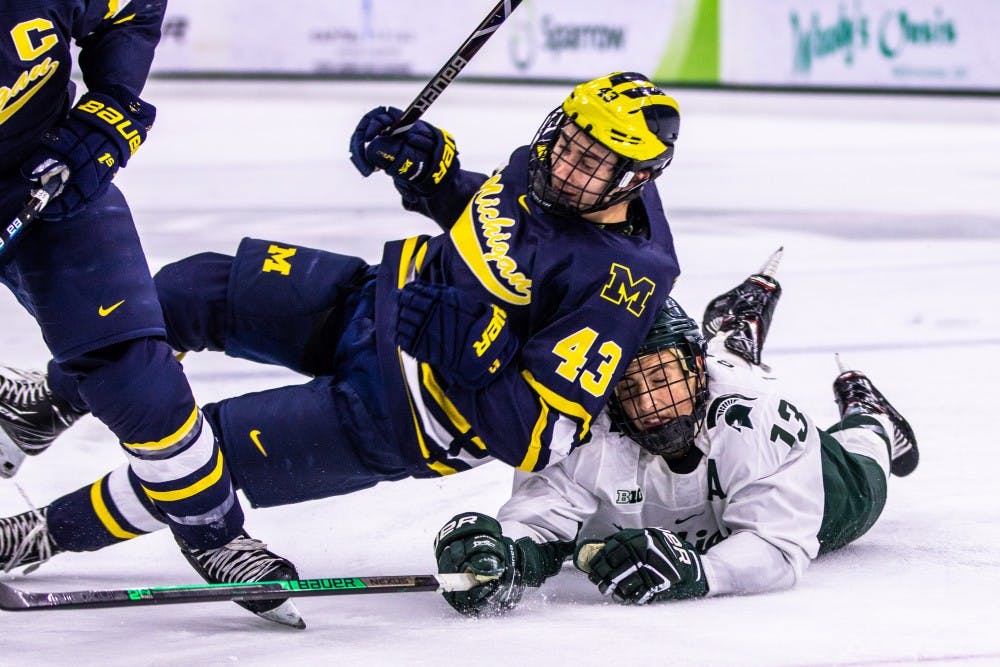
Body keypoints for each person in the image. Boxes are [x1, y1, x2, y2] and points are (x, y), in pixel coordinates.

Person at [0, 73, 682, 620]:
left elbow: (542, 436)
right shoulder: (552, 172)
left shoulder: (624, 283)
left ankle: (41, 533)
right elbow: (505, 230)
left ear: (635, 179)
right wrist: (432, 176)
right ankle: (51, 405)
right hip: (373, 301)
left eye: (590, 159)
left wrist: (472, 354)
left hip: (401, 417)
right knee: (189, 289)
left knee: (204, 449)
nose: (564, 160)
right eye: (565, 137)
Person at [0, 0, 301, 626]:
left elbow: (130, 12)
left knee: (136, 374)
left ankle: (213, 533)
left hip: (42, 172)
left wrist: (107, 106)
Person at [432, 257, 919, 616]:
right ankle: (734, 324)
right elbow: (540, 521)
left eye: (662, 379)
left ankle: (867, 412)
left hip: (806, 478)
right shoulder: (578, 426)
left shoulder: (754, 419)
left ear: (697, 367)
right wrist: (506, 552)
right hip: (703, 376)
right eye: (628, 386)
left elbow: (778, 546)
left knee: (863, 484)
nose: (648, 404)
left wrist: (701, 574)